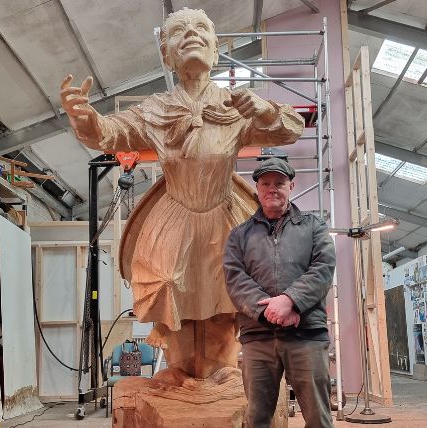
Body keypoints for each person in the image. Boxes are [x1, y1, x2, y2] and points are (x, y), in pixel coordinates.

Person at [59, 8, 304, 379]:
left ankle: (222, 365)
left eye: (201, 28)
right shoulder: (155, 110)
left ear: (216, 50)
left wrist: (266, 110)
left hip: (224, 211)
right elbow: (109, 132)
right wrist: (85, 119)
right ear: (166, 56)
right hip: (175, 212)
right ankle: (181, 365)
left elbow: (292, 128)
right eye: (178, 31)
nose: (191, 34)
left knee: (227, 288)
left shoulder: (236, 105)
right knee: (169, 283)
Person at [223, 157, 336, 428]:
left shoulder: (314, 227)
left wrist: (291, 302)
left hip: (306, 334)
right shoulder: (239, 235)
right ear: (258, 189)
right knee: (257, 418)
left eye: (279, 183)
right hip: (258, 337)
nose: (272, 188)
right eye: (266, 183)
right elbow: (235, 278)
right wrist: (269, 311)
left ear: (291, 185)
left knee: (319, 418)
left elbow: (323, 267)